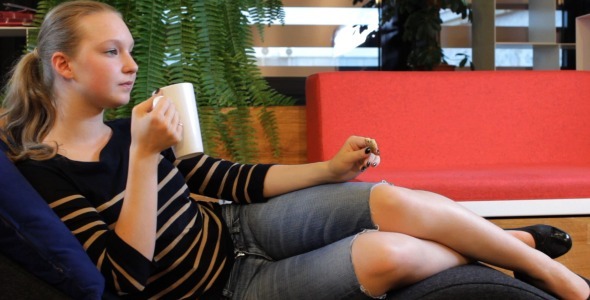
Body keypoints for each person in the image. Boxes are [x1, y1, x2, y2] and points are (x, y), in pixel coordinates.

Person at [0, 1, 588, 299]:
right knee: (387, 256)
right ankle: (510, 243)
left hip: (239, 227)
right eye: (111, 53)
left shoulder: (132, 128)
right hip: (229, 289)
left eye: (130, 49)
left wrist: (329, 168)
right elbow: (123, 280)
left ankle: (544, 270)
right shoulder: (42, 171)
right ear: (63, 65)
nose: (131, 65)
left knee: (393, 200)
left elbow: (226, 179)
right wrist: (145, 158)